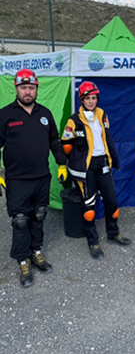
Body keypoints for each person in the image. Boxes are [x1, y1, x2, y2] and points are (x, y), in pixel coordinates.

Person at [0, 69, 68, 288]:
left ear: (37, 88)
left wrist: (62, 163)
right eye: (24, 87)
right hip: (17, 179)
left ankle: (36, 252)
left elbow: (55, 141)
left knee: (39, 216)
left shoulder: (45, 114)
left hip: (41, 177)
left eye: (31, 87)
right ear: (16, 88)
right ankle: (23, 261)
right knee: (20, 221)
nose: (28, 91)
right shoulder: (4, 115)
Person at [62, 81, 130, 260]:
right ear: (81, 100)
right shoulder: (73, 120)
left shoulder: (102, 114)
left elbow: (106, 137)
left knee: (112, 203)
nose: (91, 101)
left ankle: (113, 233)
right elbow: (66, 145)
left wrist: (112, 159)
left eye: (93, 98)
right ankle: (93, 241)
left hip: (103, 163)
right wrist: (66, 163)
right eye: (87, 98)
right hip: (85, 167)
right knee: (89, 207)